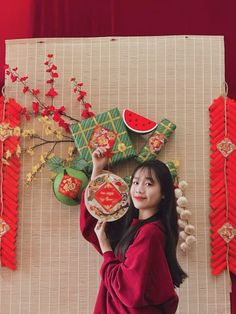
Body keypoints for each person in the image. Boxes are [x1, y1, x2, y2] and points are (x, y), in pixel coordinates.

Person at [80, 147, 187, 314]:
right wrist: (97, 170)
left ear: (164, 193)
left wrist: (106, 247)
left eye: (149, 183)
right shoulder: (135, 227)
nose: (139, 189)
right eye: (136, 182)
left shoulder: (150, 233)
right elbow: (94, 218)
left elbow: (128, 288)